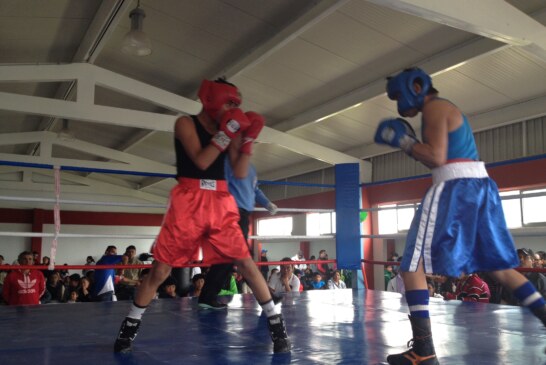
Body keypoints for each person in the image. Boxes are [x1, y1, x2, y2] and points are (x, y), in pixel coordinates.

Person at [375, 67, 546, 365]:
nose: (400, 103)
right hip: (480, 187)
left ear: (416, 86)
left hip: (455, 187)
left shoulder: (435, 108)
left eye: (400, 95)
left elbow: (437, 157)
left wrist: (405, 142)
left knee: (411, 265)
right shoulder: (445, 109)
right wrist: (413, 146)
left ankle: (424, 349)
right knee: (499, 267)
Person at [113, 78, 290, 354]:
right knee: (161, 270)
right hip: (188, 199)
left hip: (220, 200)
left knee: (245, 263)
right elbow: (202, 160)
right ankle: (129, 327)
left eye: (235, 104)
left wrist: (248, 141)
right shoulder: (185, 123)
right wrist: (230, 130)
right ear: (211, 99)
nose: (233, 108)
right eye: (229, 102)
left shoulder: (230, 129)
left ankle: (278, 330)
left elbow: (240, 171)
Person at [198, 155, 278, 309]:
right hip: (230, 214)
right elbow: (217, 186)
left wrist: (267, 203)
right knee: (243, 258)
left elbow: (255, 190)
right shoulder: (226, 164)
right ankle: (268, 297)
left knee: (227, 260)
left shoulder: (251, 168)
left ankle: (206, 297)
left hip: (243, 216)